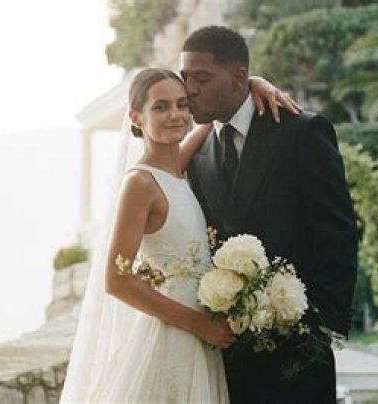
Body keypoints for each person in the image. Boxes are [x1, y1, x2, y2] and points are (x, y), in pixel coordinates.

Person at [58, 68, 299, 403]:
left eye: (182, 104)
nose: (175, 115)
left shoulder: (175, 169)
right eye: (161, 107)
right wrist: (201, 325)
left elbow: (211, 120)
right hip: (173, 337)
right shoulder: (139, 184)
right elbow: (116, 280)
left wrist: (252, 84)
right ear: (135, 116)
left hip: (199, 340)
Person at [181, 26, 359, 403]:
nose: (190, 89)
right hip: (223, 355)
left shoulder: (301, 132)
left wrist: (319, 327)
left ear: (238, 78)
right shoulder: (196, 153)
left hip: (297, 349)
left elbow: (338, 233)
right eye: (185, 77)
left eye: (202, 78)